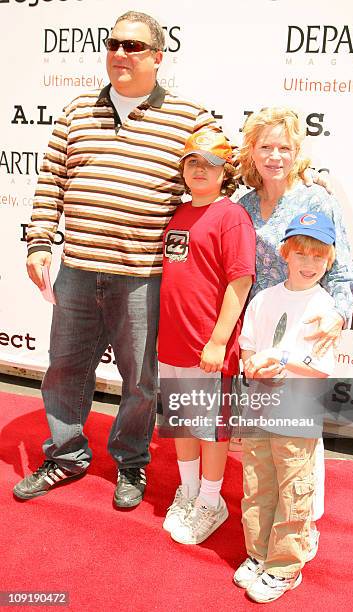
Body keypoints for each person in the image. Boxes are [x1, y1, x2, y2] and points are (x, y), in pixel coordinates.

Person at [13, 11, 218, 508]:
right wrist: (40, 240)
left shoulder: (191, 118)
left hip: (145, 276)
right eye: (113, 44)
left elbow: (217, 180)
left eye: (133, 46)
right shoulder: (76, 111)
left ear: (157, 57)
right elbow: (51, 182)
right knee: (63, 368)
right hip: (79, 269)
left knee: (142, 381)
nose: (120, 54)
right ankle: (64, 455)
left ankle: (131, 462)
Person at [236, 106, 353, 557]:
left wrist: (337, 315)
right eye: (266, 146)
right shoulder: (243, 204)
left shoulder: (315, 199)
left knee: (298, 446)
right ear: (252, 150)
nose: (274, 156)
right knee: (264, 447)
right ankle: (267, 536)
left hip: (305, 325)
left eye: (284, 147)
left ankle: (298, 538)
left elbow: (342, 269)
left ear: (297, 152)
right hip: (261, 327)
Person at [158, 128, 256, 544]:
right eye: (193, 162)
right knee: (182, 423)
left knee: (210, 429)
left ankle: (211, 500)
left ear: (224, 172)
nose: (200, 170)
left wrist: (218, 341)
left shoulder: (230, 215)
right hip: (173, 342)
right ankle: (190, 492)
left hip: (208, 348)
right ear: (183, 169)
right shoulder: (178, 214)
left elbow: (240, 281)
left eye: (210, 164)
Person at [235, 211, 338, 603]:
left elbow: (321, 367)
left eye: (318, 256)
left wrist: (279, 360)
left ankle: (284, 566)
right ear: (285, 253)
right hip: (259, 408)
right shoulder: (264, 298)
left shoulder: (325, 308)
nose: (308, 264)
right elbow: (247, 342)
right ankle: (258, 553)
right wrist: (251, 362)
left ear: (329, 260)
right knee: (257, 484)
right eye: (301, 253)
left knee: (294, 490)